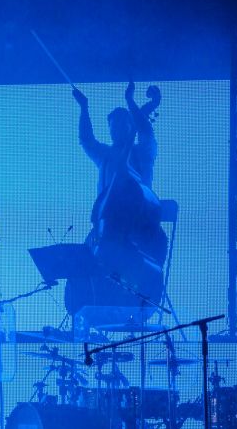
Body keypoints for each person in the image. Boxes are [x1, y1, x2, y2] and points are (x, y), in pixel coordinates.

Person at [67, 82, 167, 316]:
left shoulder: (143, 152)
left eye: (121, 125)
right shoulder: (105, 155)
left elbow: (146, 132)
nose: (115, 131)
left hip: (138, 228)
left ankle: (136, 302)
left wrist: (131, 102)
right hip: (106, 228)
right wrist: (84, 107)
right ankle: (88, 307)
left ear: (131, 126)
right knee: (84, 263)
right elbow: (86, 140)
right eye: (112, 127)